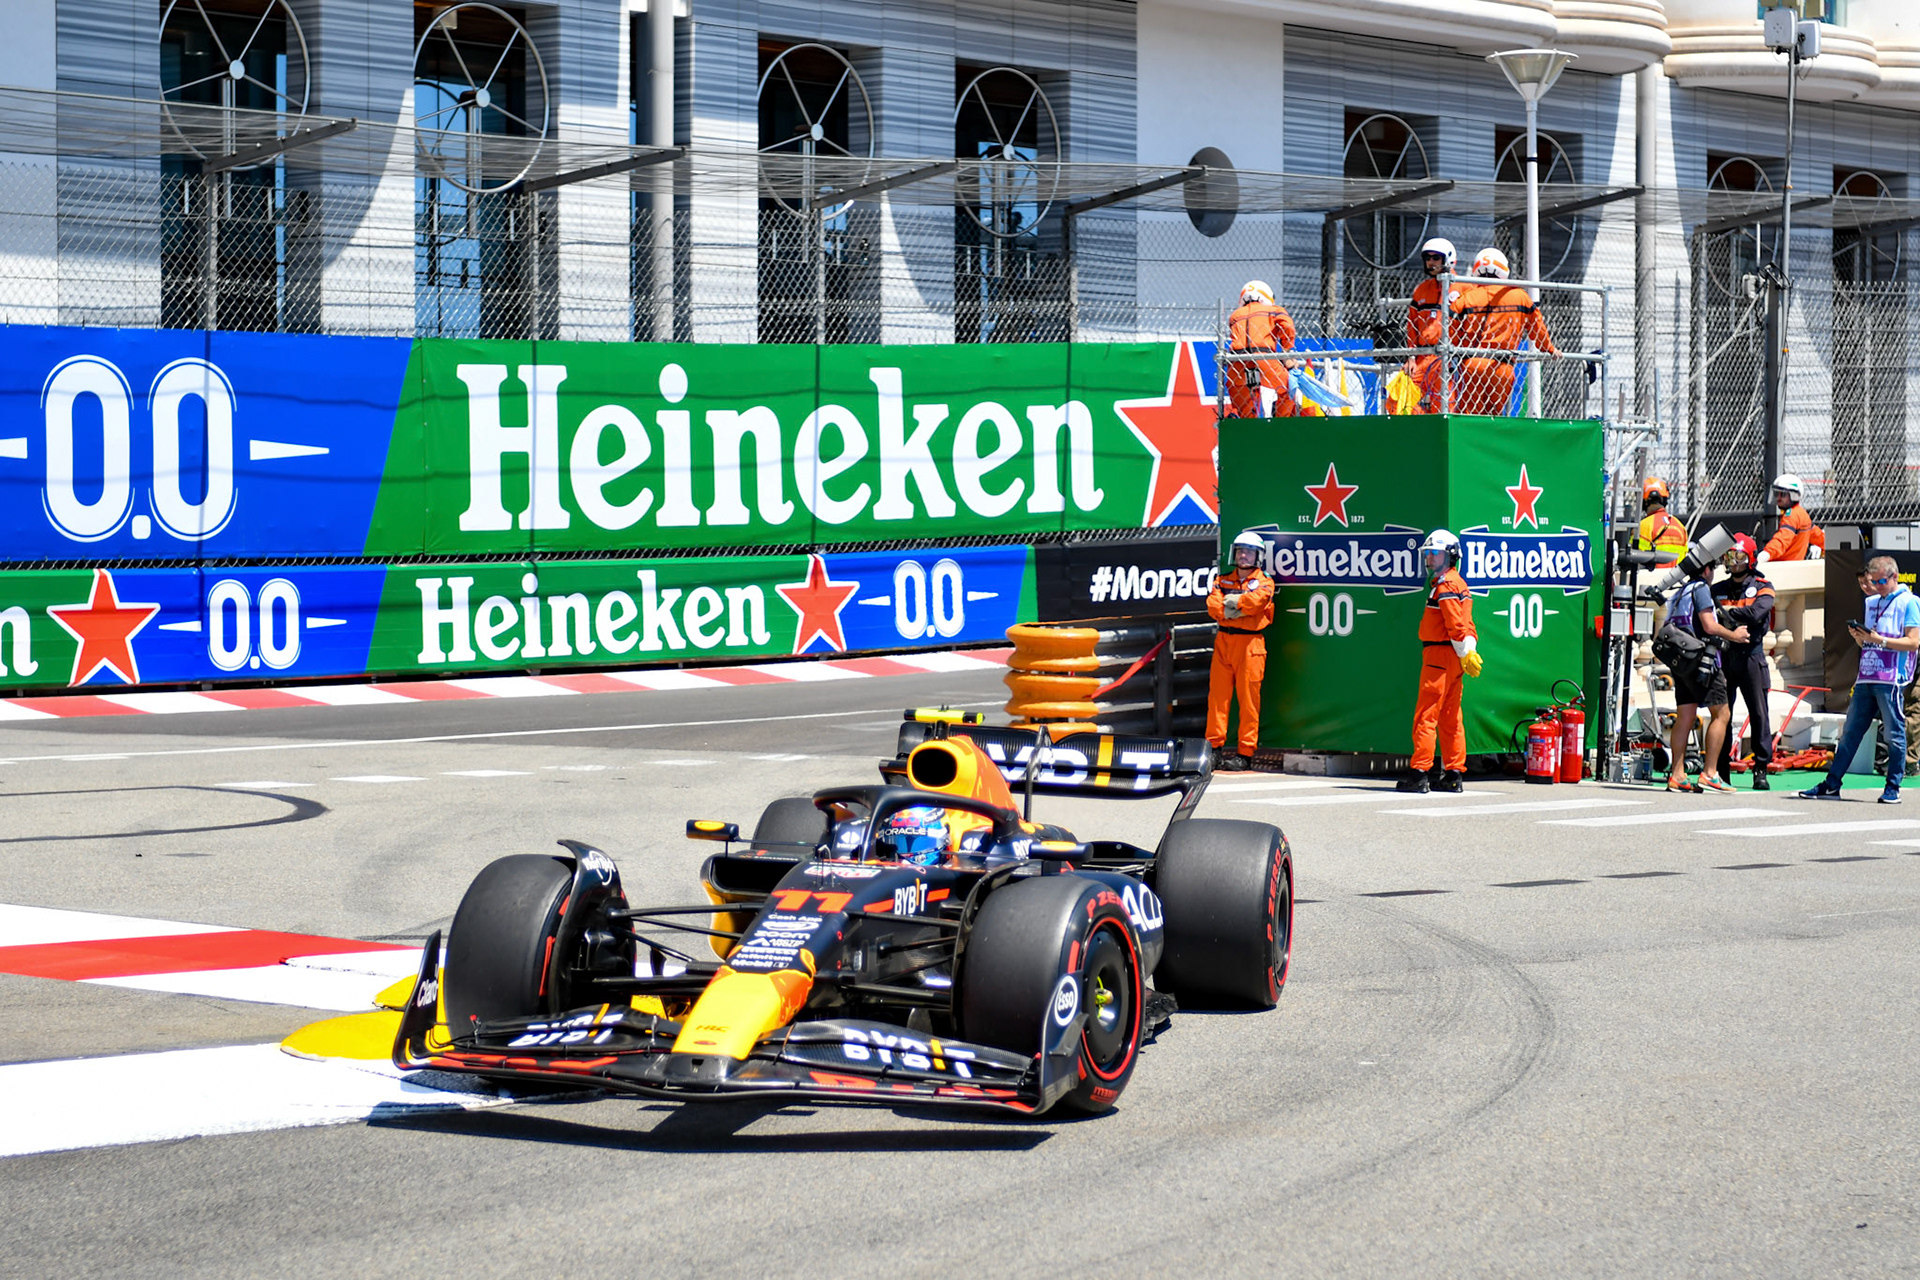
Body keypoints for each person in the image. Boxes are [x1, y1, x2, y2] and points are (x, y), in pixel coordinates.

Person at [1799, 556, 1920, 805]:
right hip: (1867, 675)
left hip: (1892, 678)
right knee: (1851, 733)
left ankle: (1893, 786)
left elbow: (1913, 642)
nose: (1876, 586)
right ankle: (1832, 785)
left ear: (1895, 577)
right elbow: (1867, 643)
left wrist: (1879, 640)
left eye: (1881, 581)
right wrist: (1860, 637)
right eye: (1872, 581)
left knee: (1894, 733)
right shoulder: (1872, 602)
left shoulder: (1909, 602)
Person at [1397, 529, 1480, 794]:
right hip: (1454, 657)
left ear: (1450, 556)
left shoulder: (1445, 585)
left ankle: (1420, 772)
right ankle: (1453, 774)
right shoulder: (1459, 584)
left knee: (1427, 715)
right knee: (1451, 717)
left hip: (1439, 656)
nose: (1430, 558)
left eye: (1435, 553)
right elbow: (1467, 624)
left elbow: (1455, 623)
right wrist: (1468, 651)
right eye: (1429, 553)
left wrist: (1464, 649)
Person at [1663, 554, 1749, 794]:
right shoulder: (1701, 588)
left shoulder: (1680, 591)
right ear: (1707, 570)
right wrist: (1735, 635)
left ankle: (1677, 776)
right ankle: (1710, 773)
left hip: (1681, 661)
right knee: (1721, 712)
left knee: (1685, 716)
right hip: (1702, 660)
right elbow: (1709, 626)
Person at [1454, 247, 1557, 415]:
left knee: (1470, 417)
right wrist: (1549, 349)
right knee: (1494, 416)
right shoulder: (1519, 296)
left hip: (1472, 363)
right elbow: (1537, 328)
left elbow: (1451, 329)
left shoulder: (1467, 297)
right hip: (1502, 365)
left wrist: (1456, 351)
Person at [1207, 530, 1275, 771]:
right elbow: (1213, 605)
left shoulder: (1265, 581)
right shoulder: (1222, 579)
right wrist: (1236, 608)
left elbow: (1258, 603)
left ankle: (1245, 753)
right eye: (1240, 551)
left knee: (1248, 700)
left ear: (1258, 556)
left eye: (1248, 552)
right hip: (1224, 642)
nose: (1243, 556)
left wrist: (1234, 604)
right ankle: (1214, 749)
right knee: (1218, 698)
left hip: (1250, 645)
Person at [1712, 533, 1776, 789]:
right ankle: (1721, 768)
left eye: (1738, 557)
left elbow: (1757, 613)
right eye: (1729, 557)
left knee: (1759, 714)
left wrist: (1725, 613)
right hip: (1725, 657)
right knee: (1721, 714)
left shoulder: (1763, 585)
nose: (1733, 562)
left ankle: (1761, 769)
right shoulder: (1717, 588)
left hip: (1752, 656)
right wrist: (1734, 617)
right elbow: (1710, 616)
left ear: (1749, 559)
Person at [1405, 238, 1467, 414]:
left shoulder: (1465, 287)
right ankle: (1419, 430)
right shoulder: (1421, 289)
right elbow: (1412, 325)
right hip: (1421, 358)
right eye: (1428, 258)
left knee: (1445, 407)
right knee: (1399, 401)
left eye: (1435, 258)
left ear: (1448, 259)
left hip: (1448, 357)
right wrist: (1410, 356)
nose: (1430, 262)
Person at [1224, 280, 1299, 419]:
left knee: (1241, 397)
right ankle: (1279, 422)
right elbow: (1287, 326)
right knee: (1288, 387)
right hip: (1264, 358)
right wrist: (1287, 351)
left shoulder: (1235, 315)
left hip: (1237, 363)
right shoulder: (1274, 310)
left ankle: (1249, 424)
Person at [1759, 474, 1824, 564]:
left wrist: (1767, 553)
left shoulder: (1791, 516)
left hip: (1783, 566)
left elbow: (1783, 539)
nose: (1778, 498)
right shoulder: (1802, 514)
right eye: (1776, 494)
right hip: (1793, 566)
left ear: (1794, 495)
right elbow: (1818, 537)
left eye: (1783, 494)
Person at [1635, 478, 1689, 561]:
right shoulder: (1680, 526)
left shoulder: (1642, 527)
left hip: (1653, 574)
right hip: (1678, 573)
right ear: (1665, 499)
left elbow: (1634, 558)